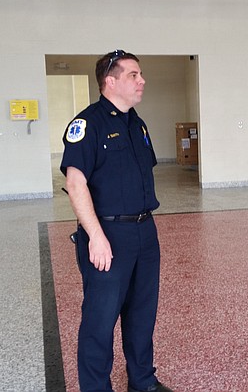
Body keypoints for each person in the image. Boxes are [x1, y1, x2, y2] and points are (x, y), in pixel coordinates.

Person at [61, 49, 172, 392]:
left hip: (144, 232)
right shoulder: (87, 124)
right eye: (133, 75)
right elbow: (75, 183)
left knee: (142, 314)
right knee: (100, 319)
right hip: (107, 234)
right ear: (110, 81)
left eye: (140, 75)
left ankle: (142, 381)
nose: (142, 81)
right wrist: (95, 236)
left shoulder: (137, 124)